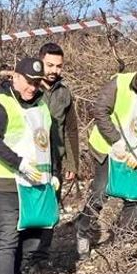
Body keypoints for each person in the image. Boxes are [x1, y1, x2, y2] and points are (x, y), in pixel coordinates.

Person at [0, 57, 59, 274]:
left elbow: (49, 142)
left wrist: (54, 174)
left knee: (33, 234)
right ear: (15, 77)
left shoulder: (42, 106)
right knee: (7, 235)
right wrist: (19, 163)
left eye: (36, 83)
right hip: (7, 180)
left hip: (37, 181)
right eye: (28, 81)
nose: (32, 88)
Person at [75, 58, 137, 258]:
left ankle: (123, 240)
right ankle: (83, 231)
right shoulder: (119, 83)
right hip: (108, 147)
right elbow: (100, 111)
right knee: (100, 191)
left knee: (133, 196)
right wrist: (116, 140)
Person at [39, 42, 80, 197]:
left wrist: (72, 164)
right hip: (31, 161)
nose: (54, 70)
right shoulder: (29, 89)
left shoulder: (64, 92)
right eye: (49, 65)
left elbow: (70, 130)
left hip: (55, 161)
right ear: (40, 62)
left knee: (52, 204)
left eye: (58, 66)